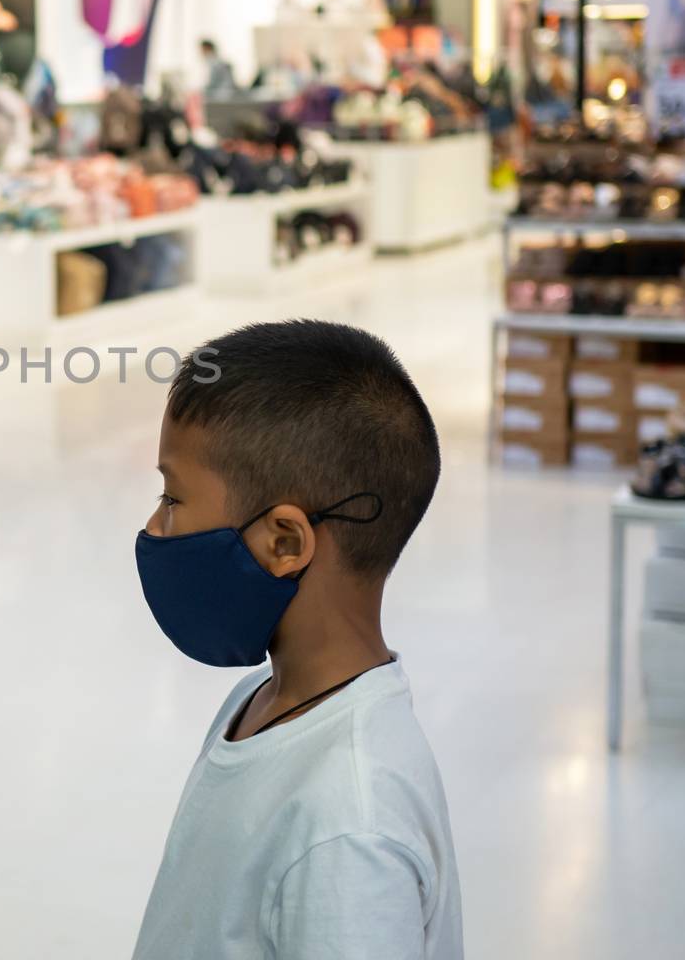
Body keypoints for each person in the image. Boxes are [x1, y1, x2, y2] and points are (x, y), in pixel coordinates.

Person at [132, 321, 461, 960]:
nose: (154, 525)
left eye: (173, 497)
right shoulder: (262, 701)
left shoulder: (349, 827)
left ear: (285, 542)